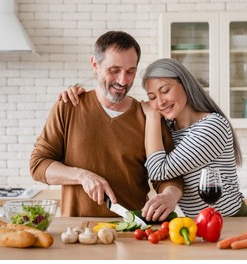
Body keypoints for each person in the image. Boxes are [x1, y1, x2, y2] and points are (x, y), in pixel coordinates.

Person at [30, 31, 184, 220]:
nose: (123, 80)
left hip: (132, 233)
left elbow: (170, 176)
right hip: (79, 233)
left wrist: (169, 195)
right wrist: (82, 176)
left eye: (130, 71)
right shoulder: (68, 107)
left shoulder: (149, 117)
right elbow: (38, 165)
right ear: (95, 64)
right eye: (114, 70)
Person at [140, 58, 247, 217]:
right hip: (203, 224)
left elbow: (158, 171)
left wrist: (152, 116)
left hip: (235, 222)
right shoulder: (169, 129)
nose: (160, 102)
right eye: (152, 97)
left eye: (165, 90)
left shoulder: (211, 126)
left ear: (185, 85)